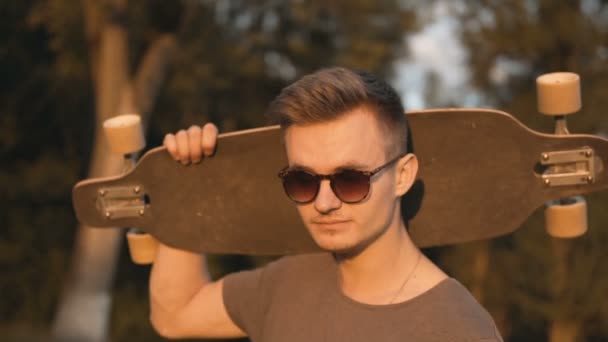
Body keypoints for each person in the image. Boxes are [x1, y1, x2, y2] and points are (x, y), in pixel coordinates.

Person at [149, 67, 503, 341]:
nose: (323, 202)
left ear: (402, 176)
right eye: (302, 181)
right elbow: (175, 315)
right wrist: (188, 186)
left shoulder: (457, 328)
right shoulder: (287, 283)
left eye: (350, 180)